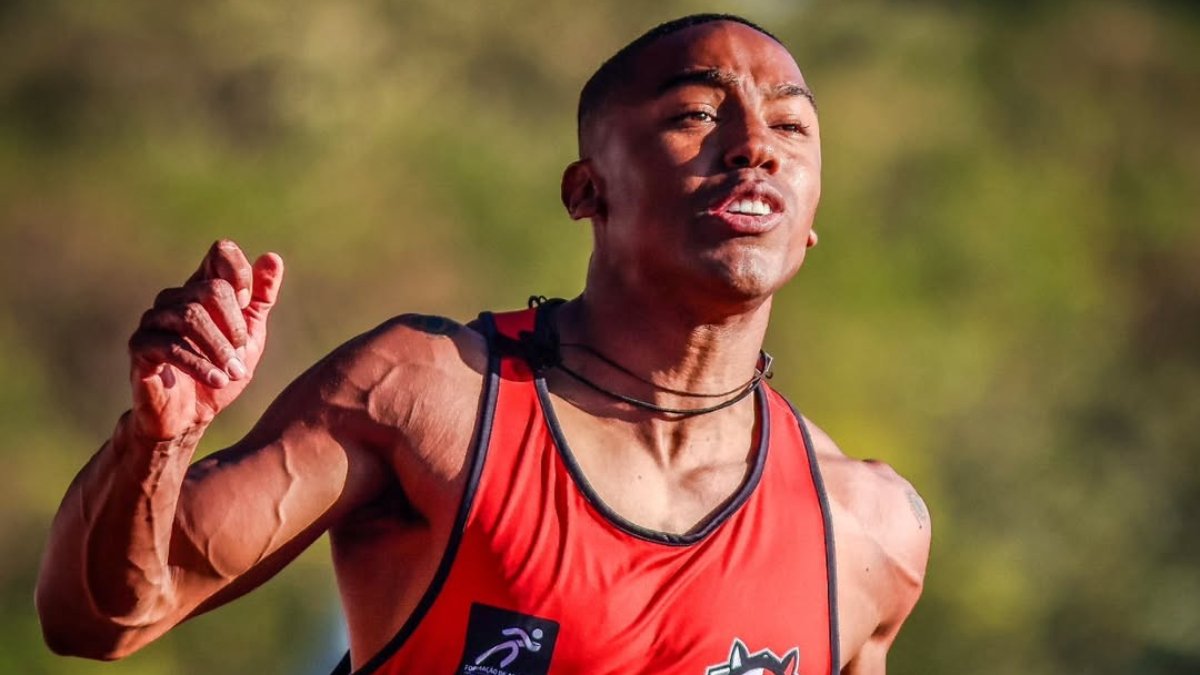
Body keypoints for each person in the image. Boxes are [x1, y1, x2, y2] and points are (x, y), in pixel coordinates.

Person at [36, 13, 931, 675]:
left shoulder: (865, 533)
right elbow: (101, 618)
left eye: (791, 126)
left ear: (812, 220)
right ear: (586, 190)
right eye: (696, 115)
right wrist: (157, 441)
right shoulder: (425, 399)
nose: (753, 149)